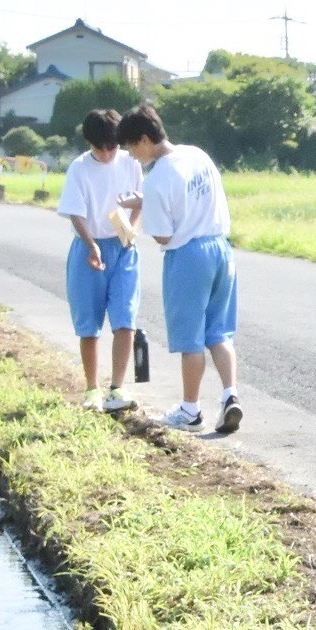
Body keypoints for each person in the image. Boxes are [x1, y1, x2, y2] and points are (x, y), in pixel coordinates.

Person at [117, 102, 241, 433]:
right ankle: (230, 396)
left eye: (131, 147)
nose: (132, 155)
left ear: (144, 139)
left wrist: (146, 206)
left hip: (188, 257)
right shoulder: (195, 154)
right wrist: (147, 201)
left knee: (190, 339)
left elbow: (163, 233)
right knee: (219, 331)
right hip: (221, 248)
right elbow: (189, 198)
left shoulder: (156, 178)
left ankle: (190, 410)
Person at [56, 108, 144, 412]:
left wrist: (130, 231)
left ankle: (117, 388)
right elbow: (76, 212)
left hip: (122, 244)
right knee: (88, 323)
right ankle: (92, 388)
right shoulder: (78, 168)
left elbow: (140, 199)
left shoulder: (130, 161)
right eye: (100, 148)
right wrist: (91, 244)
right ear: (89, 144)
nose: (107, 155)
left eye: (112, 147)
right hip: (87, 246)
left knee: (125, 317)